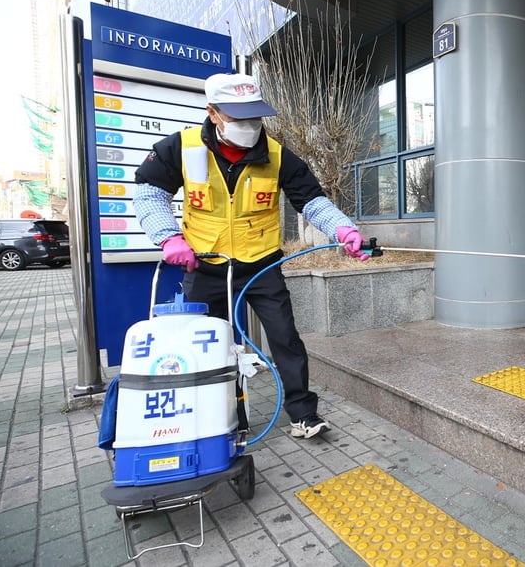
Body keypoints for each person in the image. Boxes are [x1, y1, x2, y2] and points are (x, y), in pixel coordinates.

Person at [134, 72, 367, 440]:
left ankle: (304, 414)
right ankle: (224, 418)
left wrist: (344, 230)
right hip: (206, 267)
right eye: (237, 118)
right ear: (213, 113)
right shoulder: (181, 147)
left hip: (261, 266)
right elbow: (149, 193)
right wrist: (168, 237)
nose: (249, 126)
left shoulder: (277, 156)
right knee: (211, 346)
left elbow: (313, 201)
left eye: (254, 117)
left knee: (286, 339)